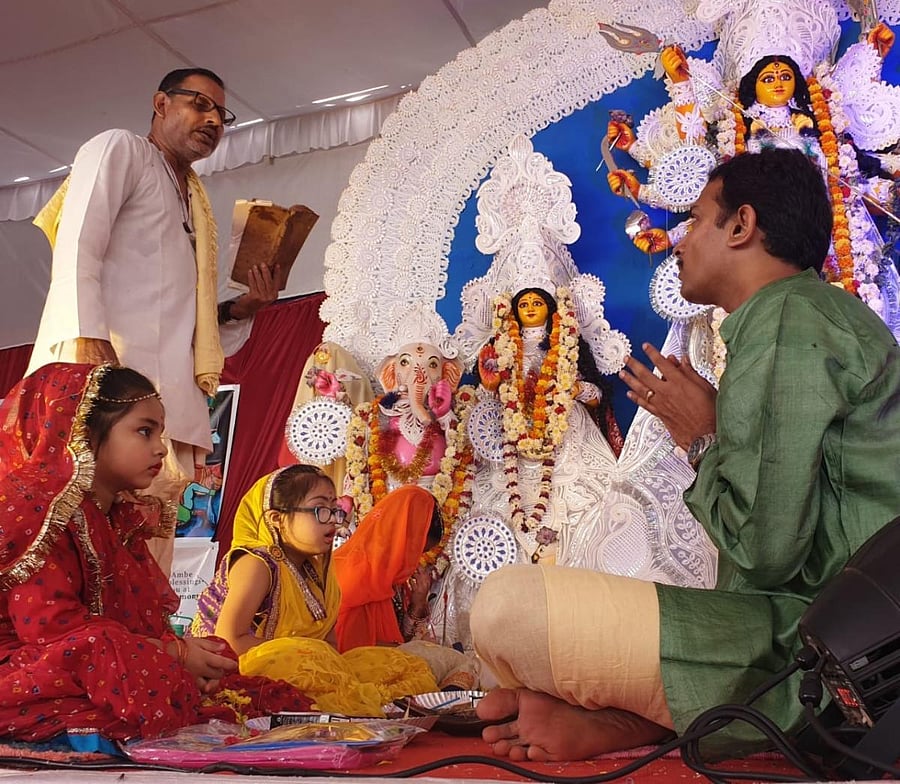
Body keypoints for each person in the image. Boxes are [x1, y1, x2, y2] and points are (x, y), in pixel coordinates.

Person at [470, 148, 900, 761]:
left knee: (505, 609)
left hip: (824, 658)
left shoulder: (788, 320)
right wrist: (717, 432)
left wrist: (700, 436)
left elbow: (766, 551)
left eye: (696, 220)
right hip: (800, 631)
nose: (681, 241)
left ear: (741, 226)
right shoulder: (798, 317)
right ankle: (658, 715)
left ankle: (655, 717)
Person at [26, 68, 279, 568]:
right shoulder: (121, 149)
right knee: (80, 548)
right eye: (199, 104)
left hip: (167, 408)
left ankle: (144, 645)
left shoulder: (192, 196)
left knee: (147, 564)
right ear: (161, 104)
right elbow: (80, 240)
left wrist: (241, 307)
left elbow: (183, 314)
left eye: (221, 114)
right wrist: (88, 339)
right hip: (107, 387)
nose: (213, 120)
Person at [0, 363, 311, 744]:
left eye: (159, 433)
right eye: (145, 431)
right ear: (82, 431)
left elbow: (137, 629)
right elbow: (52, 630)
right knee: (114, 659)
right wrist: (173, 654)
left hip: (94, 666)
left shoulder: (115, 516)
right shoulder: (37, 508)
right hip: (29, 670)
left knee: (222, 669)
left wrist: (180, 652)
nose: (161, 448)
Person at [190, 465, 343, 653]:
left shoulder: (315, 573)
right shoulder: (256, 564)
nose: (333, 519)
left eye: (335, 509)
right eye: (320, 509)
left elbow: (328, 644)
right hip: (228, 673)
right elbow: (229, 642)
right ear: (276, 519)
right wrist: (304, 655)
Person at [332, 484, 444, 652]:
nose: (415, 561)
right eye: (415, 552)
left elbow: (400, 635)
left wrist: (417, 603)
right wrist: (411, 652)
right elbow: (348, 649)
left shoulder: (392, 577)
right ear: (401, 538)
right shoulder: (354, 576)